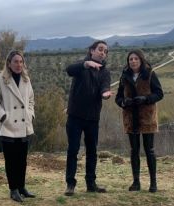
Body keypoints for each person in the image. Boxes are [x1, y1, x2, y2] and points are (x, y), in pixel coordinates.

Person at [64, 40, 112, 196]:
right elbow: (69, 70)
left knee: (92, 151)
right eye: (100, 49)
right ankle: (70, 184)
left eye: (105, 51)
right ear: (92, 51)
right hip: (75, 116)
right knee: (73, 150)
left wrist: (105, 93)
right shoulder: (81, 65)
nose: (102, 53)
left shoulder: (105, 72)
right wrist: (86, 65)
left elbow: (105, 86)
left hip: (92, 118)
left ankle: (91, 184)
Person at [0, 50, 36, 202]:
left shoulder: (26, 79)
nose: (18, 65)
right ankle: (13, 189)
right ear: (9, 64)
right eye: (15, 62)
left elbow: (31, 100)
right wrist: (4, 117)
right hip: (8, 127)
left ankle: (22, 187)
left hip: (24, 125)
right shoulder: (0, 79)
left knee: (22, 160)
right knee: (11, 160)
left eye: (21, 62)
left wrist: (30, 115)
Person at [115, 49, 163, 192]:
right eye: (130, 59)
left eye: (136, 58)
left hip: (147, 117)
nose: (133, 61)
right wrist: (123, 102)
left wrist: (146, 99)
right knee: (134, 150)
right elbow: (118, 97)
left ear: (141, 60)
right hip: (131, 118)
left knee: (149, 150)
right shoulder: (124, 77)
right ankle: (136, 182)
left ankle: (153, 183)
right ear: (128, 62)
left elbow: (159, 94)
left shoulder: (149, 74)